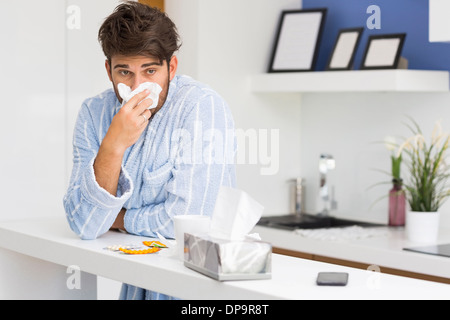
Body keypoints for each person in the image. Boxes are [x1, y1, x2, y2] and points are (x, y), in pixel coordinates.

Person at [63, 2, 236, 300]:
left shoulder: (201, 107)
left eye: (150, 70)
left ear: (172, 67)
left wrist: (120, 219)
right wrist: (114, 145)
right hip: (137, 285)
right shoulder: (94, 113)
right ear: (109, 70)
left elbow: (191, 222)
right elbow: (85, 223)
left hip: (198, 291)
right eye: (125, 72)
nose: (138, 87)